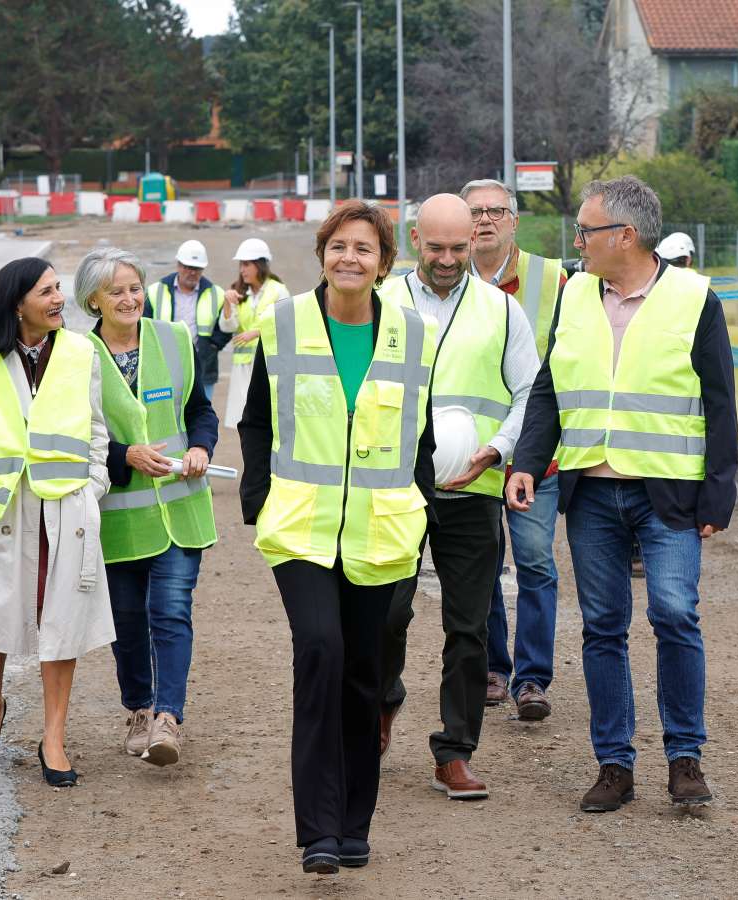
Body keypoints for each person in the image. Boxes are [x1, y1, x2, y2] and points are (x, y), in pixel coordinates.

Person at [508, 175, 737, 813]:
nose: (577, 241)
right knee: (603, 628)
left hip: (669, 495)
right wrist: (528, 460)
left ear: (625, 235)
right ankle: (615, 766)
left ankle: (685, 758)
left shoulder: (695, 298)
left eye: (586, 230)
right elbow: (550, 388)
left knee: (674, 616)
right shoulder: (575, 294)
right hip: (591, 493)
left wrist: (717, 497)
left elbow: (720, 403)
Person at [240, 200, 437, 874]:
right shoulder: (284, 322)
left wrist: (423, 509)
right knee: (320, 652)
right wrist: (258, 500)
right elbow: (257, 421)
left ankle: (355, 824)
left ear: (384, 264)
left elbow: (423, 435)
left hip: (381, 531)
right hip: (301, 528)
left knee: (364, 671)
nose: (349, 258)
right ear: (321, 253)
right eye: (338, 246)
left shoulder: (412, 335)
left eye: (364, 249)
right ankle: (318, 831)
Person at [377, 194, 539, 799]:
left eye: (459, 248)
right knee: (386, 613)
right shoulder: (382, 301)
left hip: (473, 490)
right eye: (436, 247)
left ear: (475, 239)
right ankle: (383, 699)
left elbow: (530, 393)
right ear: (415, 238)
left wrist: (497, 448)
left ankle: (455, 749)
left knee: (469, 626)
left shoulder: (502, 311)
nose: (447, 260)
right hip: (394, 486)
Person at [0, 257, 113, 787]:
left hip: (65, 510)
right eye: (47, 291)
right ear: (17, 303)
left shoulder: (82, 353)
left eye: (59, 289)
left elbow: (97, 431)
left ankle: (53, 736)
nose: (60, 299)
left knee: (62, 621)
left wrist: (94, 487)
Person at [79, 247, 219, 767]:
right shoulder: (76, 357)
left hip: (181, 511)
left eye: (134, 287)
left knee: (171, 611)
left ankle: (168, 718)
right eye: (115, 291)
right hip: (118, 519)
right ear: (92, 300)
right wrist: (125, 455)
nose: (129, 298)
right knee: (127, 621)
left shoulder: (175, 339)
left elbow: (200, 411)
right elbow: (73, 437)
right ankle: (138, 708)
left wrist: (203, 446)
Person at [461, 177, 566, 719]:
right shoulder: (443, 278)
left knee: (534, 562)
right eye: (475, 211)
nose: (485, 220)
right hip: (471, 453)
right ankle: (493, 669)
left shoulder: (555, 278)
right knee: (482, 564)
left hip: (534, 453)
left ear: (515, 220)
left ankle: (533, 678)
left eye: (496, 212)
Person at [145, 239, 231, 403]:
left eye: (197, 268)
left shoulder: (216, 293)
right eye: (188, 267)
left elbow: (226, 327)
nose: (192, 272)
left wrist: (213, 346)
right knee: (167, 415)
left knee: (201, 415)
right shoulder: (156, 291)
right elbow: (142, 324)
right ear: (178, 265)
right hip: (164, 367)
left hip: (202, 366)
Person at [221, 238, 290, 429]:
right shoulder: (238, 291)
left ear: (259, 265)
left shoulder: (278, 290)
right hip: (242, 368)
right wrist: (228, 302)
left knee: (266, 420)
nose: (242, 269)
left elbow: (287, 324)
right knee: (243, 422)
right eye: (241, 264)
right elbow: (228, 326)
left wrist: (257, 332)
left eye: (246, 264)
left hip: (268, 365)